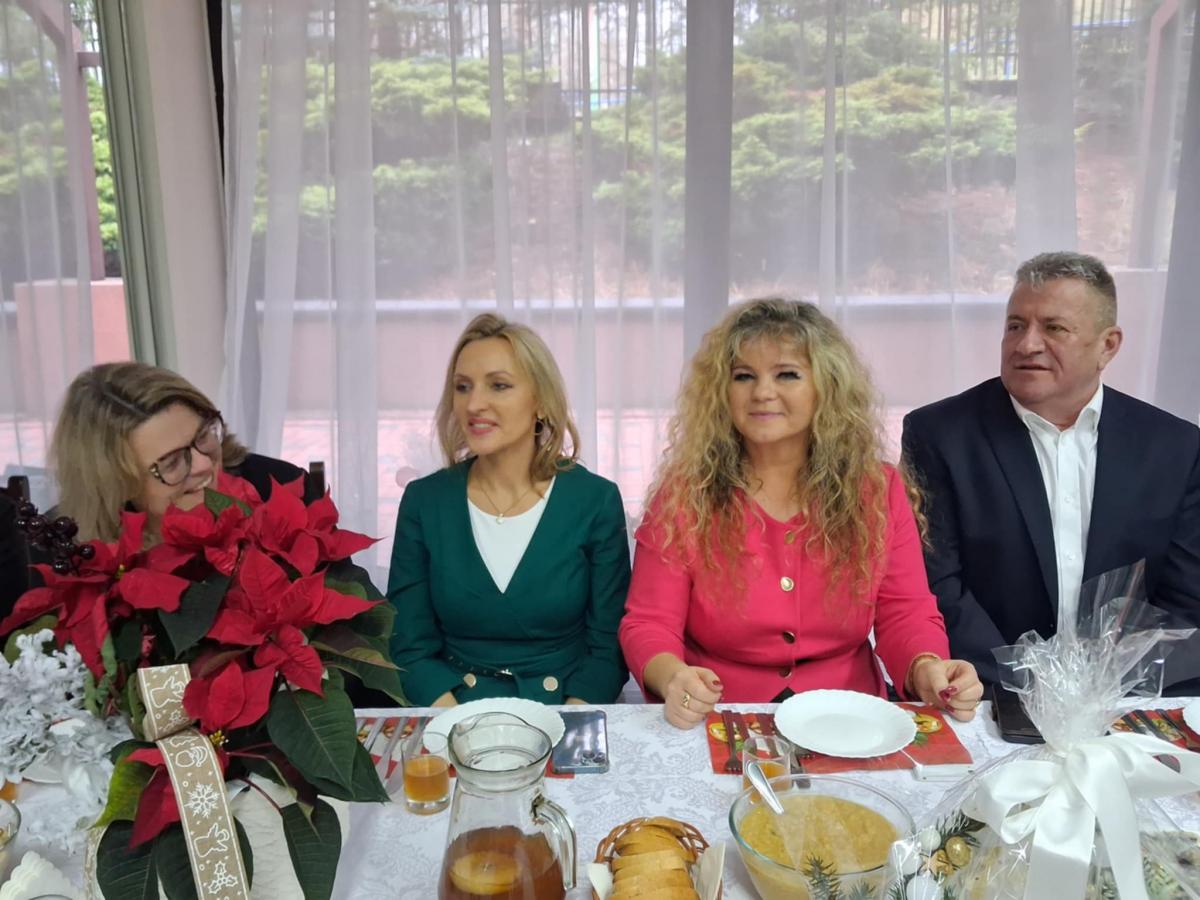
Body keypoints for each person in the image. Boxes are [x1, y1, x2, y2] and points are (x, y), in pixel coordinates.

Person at [619, 298, 981, 730]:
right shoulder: (683, 494)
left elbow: (905, 612)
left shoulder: (876, 489)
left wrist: (926, 668)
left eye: (786, 374)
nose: (761, 392)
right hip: (718, 718)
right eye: (743, 376)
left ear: (826, 387)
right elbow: (648, 623)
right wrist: (673, 677)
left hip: (850, 715)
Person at [902, 251, 1200, 687]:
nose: (1027, 344)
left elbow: (1187, 601)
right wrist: (1028, 684)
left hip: (1127, 696)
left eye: (1054, 328)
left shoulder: (1175, 446)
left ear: (1108, 345)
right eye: (1015, 326)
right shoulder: (939, 434)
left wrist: (1102, 685)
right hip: (986, 691)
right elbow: (937, 588)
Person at [387, 313, 630, 707]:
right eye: (462, 387)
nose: (474, 404)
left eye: (498, 385)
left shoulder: (595, 500)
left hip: (564, 712)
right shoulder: (424, 501)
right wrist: (456, 726)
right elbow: (409, 647)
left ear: (541, 402)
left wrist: (568, 726)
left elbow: (607, 650)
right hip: (452, 713)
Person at [49, 362, 316, 545]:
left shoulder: (280, 486)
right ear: (116, 483)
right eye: (172, 462)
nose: (203, 465)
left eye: (203, 436)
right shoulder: (66, 547)